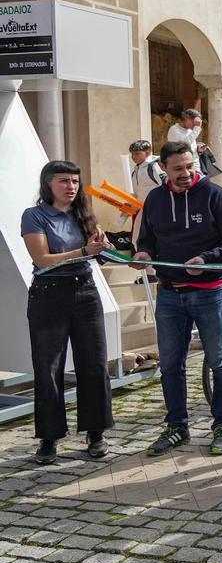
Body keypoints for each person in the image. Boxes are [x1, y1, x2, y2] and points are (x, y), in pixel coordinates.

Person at [134, 141, 222, 457]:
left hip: (210, 293)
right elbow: (147, 240)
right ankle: (177, 427)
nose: (186, 173)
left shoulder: (214, 195)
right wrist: (142, 253)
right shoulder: (155, 199)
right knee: (170, 366)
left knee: (219, 362)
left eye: (190, 166)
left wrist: (206, 259)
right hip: (169, 295)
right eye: (178, 168)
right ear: (163, 168)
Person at [21, 160, 113, 465]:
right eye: (63, 181)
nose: (71, 186)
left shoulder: (84, 214)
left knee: (94, 364)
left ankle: (95, 434)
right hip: (49, 294)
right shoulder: (34, 216)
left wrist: (104, 248)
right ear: (48, 184)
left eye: (75, 181)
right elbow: (43, 259)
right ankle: (49, 438)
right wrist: (84, 251)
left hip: (86, 292)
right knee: (48, 368)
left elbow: (96, 253)